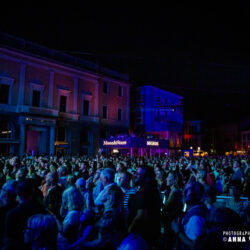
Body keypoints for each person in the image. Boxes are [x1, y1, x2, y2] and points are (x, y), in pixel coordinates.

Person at [4, 179, 46, 249]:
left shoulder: (12, 213)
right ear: (32, 192)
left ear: (17, 194)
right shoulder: (41, 209)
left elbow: (9, 239)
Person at [128, 166, 161, 248]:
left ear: (146, 177)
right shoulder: (152, 189)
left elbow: (141, 215)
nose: (135, 175)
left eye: (138, 174)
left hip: (143, 233)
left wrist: (129, 229)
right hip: (152, 230)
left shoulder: (144, 191)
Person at [171, 181, 207, 249]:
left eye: (186, 191)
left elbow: (194, 245)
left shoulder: (195, 218)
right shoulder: (194, 210)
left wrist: (177, 231)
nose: (183, 193)